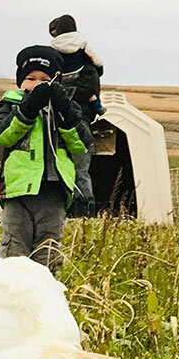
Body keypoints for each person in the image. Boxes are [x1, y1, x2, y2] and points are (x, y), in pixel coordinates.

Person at [0, 46, 92, 272]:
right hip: (18, 192)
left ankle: (44, 295)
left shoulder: (67, 106)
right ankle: (7, 295)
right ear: (20, 81)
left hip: (54, 191)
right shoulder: (11, 102)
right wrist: (27, 109)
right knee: (14, 250)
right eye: (30, 78)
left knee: (48, 251)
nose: (37, 83)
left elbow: (81, 143)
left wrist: (64, 109)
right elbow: (0, 135)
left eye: (45, 79)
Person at [49, 14, 105, 214]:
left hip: (60, 117)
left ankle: (70, 210)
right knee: (80, 167)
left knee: (67, 166)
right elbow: (92, 83)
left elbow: (50, 86)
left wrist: (61, 92)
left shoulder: (52, 58)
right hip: (82, 114)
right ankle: (84, 211)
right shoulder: (86, 57)